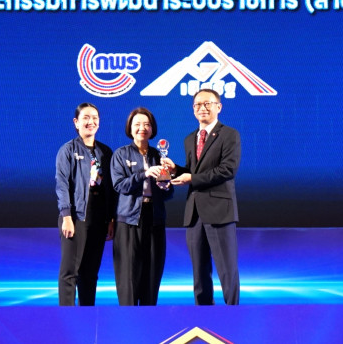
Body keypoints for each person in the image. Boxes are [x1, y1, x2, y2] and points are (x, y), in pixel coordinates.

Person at [163, 89, 241, 305]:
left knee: (227, 270)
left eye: (208, 103)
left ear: (219, 107)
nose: (202, 108)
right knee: (199, 271)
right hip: (194, 213)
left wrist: (191, 178)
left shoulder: (229, 135)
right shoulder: (190, 138)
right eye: (197, 104)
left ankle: (233, 313)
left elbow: (227, 170)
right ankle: (203, 314)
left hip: (220, 211)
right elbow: (193, 171)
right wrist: (175, 170)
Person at [110, 107, 173, 306]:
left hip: (154, 218)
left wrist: (166, 185)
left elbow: (168, 193)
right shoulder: (121, 154)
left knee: (152, 274)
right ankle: (129, 319)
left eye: (146, 124)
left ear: (152, 129)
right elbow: (120, 185)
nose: (142, 128)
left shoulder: (159, 155)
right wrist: (144, 174)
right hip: (128, 220)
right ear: (130, 128)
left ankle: (148, 317)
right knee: (128, 277)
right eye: (137, 124)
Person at [55, 102, 115, 306]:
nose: (91, 122)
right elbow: (62, 185)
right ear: (76, 122)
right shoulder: (67, 150)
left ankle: (87, 315)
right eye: (86, 118)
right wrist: (66, 216)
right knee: (70, 271)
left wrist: (110, 218)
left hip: (99, 217)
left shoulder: (106, 152)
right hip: (75, 216)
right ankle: (67, 316)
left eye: (95, 118)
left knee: (90, 272)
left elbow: (111, 189)